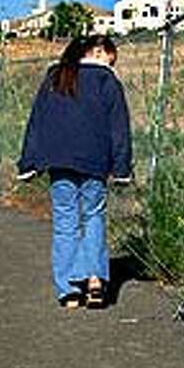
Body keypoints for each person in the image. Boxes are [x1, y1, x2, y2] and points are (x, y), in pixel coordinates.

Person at [17, 35, 132, 309]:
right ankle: (94, 281)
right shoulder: (107, 81)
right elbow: (119, 128)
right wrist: (122, 167)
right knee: (93, 216)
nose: (111, 65)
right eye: (110, 58)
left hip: (57, 159)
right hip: (95, 161)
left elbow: (38, 120)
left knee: (65, 220)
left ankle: (68, 290)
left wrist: (28, 162)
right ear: (98, 51)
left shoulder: (56, 75)